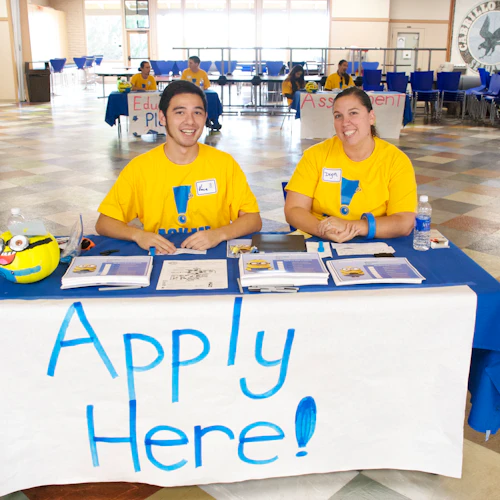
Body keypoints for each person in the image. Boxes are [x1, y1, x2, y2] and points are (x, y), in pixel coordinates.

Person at [96, 80, 261, 253]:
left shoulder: (224, 163)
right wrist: (138, 235)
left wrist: (219, 234)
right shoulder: (140, 168)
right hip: (162, 256)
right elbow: (104, 223)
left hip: (214, 257)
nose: (190, 121)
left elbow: (253, 219)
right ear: (162, 117)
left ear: (205, 118)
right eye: (180, 112)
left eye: (197, 112)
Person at [284, 87, 416, 243]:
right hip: (321, 239)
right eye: (338, 116)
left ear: (371, 117)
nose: (345, 123)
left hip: (376, 241)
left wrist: (350, 227)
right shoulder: (315, 155)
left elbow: (404, 222)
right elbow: (293, 209)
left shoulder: (396, 161)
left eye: (353, 113)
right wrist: (323, 230)